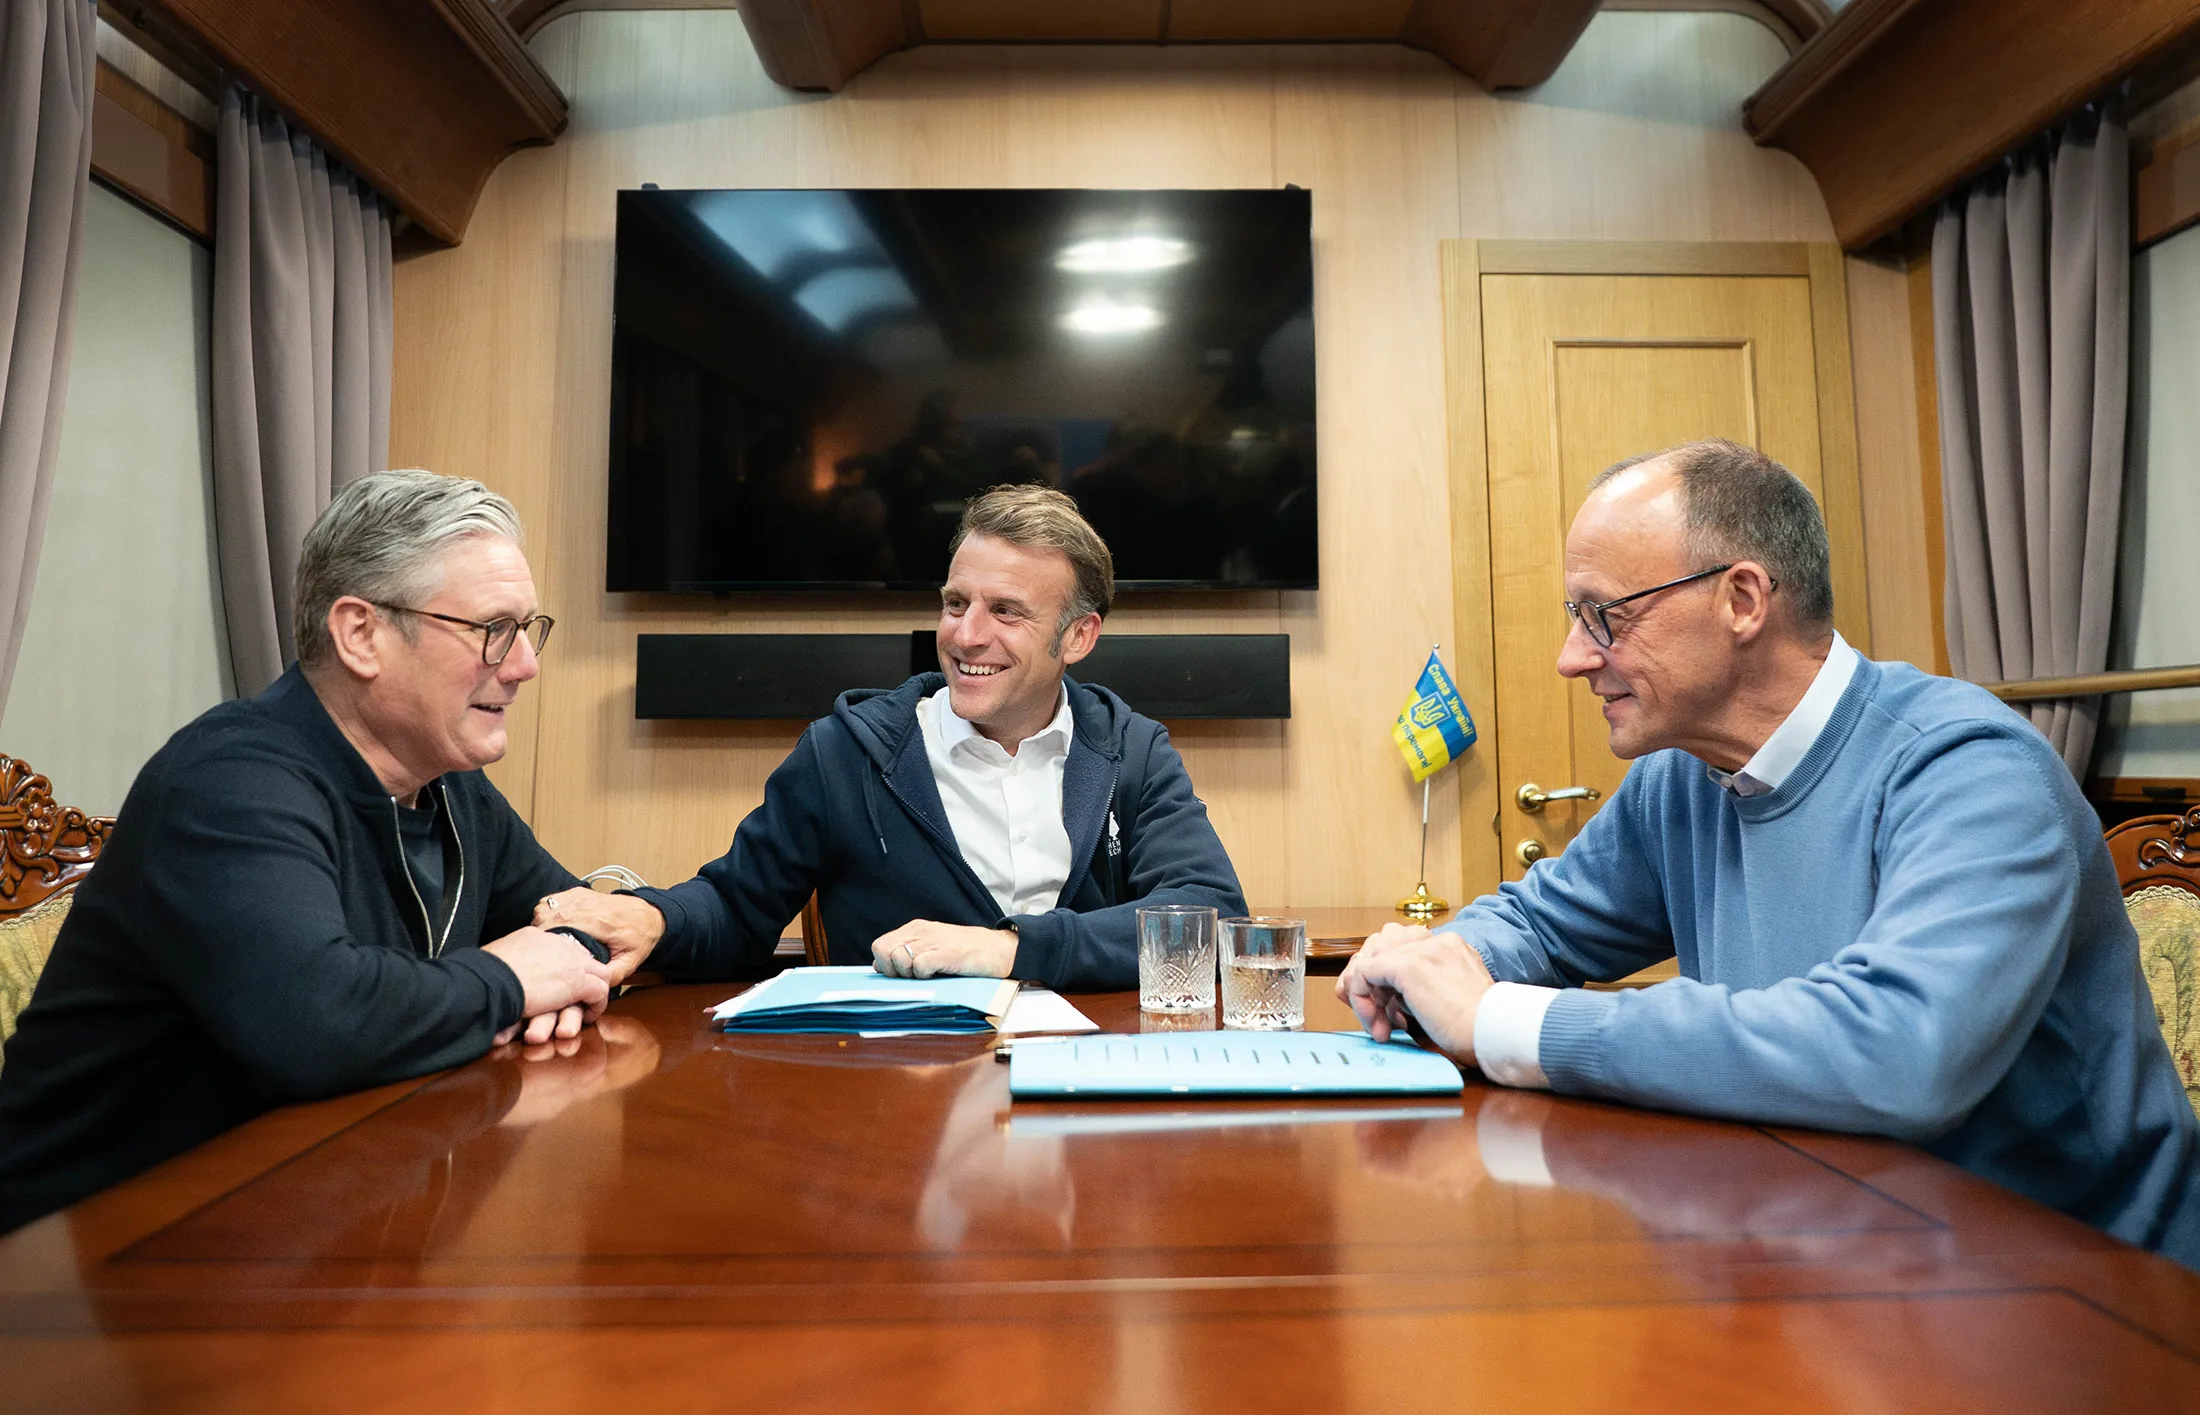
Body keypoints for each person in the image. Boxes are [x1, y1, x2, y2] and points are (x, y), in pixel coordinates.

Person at [1338, 439, 2200, 1268]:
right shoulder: (1682, 777)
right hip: (1825, 1249)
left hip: (2075, 1298)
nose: (1573, 658)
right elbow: (1542, 919)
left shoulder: (1972, 768)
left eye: (1605, 616)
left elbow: (1900, 1051)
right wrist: (1438, 962)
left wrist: (1497, 1019)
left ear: (1743, 600)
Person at [0, 470, 612, 1232]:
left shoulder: (448, 785)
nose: (523, 664)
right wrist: (510, 979)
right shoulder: (228, 781)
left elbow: (581, 921)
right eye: (493, 628)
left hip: (307, 1215)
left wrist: (566, 964)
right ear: (361, 634)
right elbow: (316, 1020)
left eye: (528, 629)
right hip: (84, 1264)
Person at [537, 485, 1246, 991]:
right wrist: (652, 916)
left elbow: (1208, 915)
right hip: (894, 1109)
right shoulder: (843, 751)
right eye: (955, 602)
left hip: (1084, 1104)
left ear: (1079, 635)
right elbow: (735, 905)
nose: (966, 635)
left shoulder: (1133, 749)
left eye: (1006, 611)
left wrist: (1011, 949)